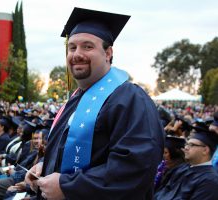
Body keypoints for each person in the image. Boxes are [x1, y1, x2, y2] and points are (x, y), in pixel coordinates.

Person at [25, 7, 165, 200]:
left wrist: (68, 187)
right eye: (72, 47)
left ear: (108, 53)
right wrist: (45, 167)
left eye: (87, 47)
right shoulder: (76, 99)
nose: (77, 54)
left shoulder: (130, 99)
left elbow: (136, 167)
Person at [155, 130, 218, 199]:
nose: (186, 148)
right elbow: (162, 190)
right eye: (186, 144)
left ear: (205, 150)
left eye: (191, 145)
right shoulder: (181, 168)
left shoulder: (210, 181)